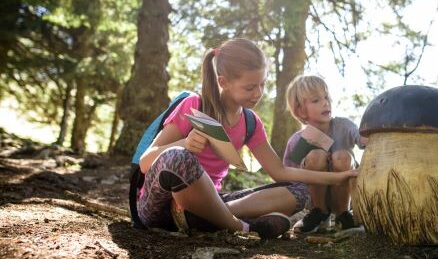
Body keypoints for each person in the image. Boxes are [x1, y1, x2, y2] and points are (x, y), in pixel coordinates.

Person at [137, 39, 357, 239]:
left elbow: (279, 172)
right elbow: (146, 162)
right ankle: (239, 226)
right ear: (223, 82)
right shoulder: (195, 105)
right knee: (178, 158)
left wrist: (336, 178)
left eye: (262, 84)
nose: (258, 93)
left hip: (210, 202)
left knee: (299, 189)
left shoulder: (250, 122)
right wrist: (184, 143)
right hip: (163, 206)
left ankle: (205, 219)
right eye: (250, 87)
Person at [283, 74, 367, 233]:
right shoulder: (298, 141)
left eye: (326, 97)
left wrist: (369, 136)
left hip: (342, 192)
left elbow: (360, 138)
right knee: (315, 156)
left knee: (342, 156)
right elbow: (288, 174)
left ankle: (343, 215)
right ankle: (318, 213)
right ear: (300, 111)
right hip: (314, 196)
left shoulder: (343, 125)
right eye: (316, 100)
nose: (325, 103)